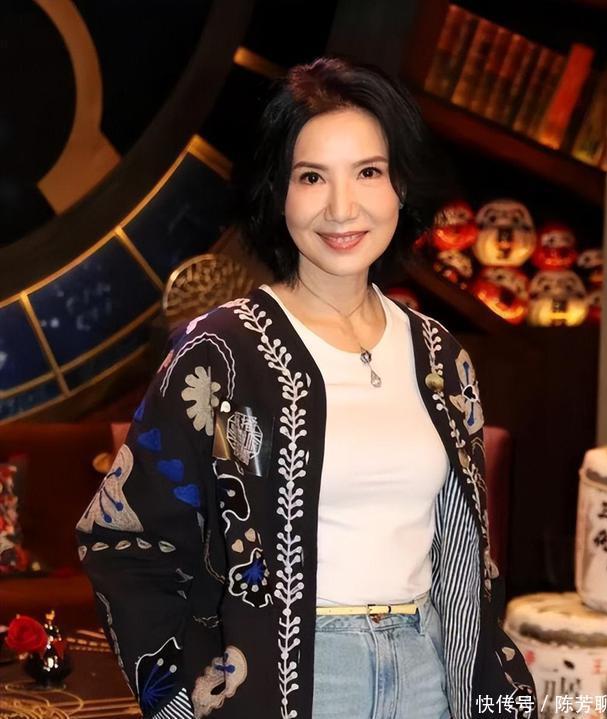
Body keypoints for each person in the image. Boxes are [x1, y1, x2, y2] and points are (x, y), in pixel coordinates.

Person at [76, 56, 537, 719]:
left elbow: (468, 556)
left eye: (368, 172)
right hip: (294, 683)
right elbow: (124, 539)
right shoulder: (221, 352)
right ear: (278, 192)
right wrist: (188, 697)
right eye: (312, 176)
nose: (342, 208)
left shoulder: (440, 355)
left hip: (427, 669)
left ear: (400, 186)